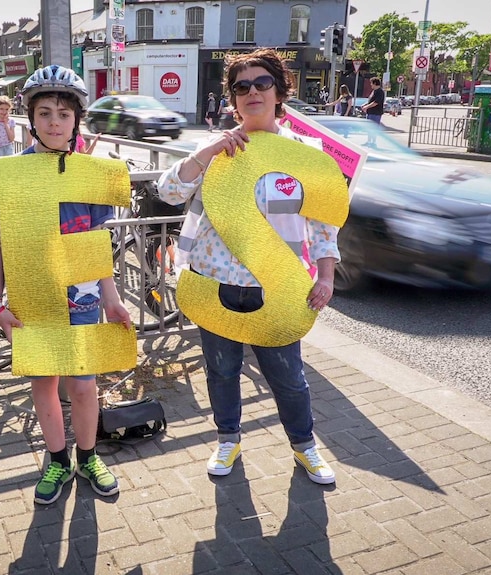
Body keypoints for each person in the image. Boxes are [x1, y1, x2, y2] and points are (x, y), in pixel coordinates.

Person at [156, 48, 340, 486]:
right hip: (212, 281)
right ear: (232, 98)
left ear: (280, 92)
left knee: (289, 378)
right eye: (242, 86)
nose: (252, 92)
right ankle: (228, 438)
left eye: (262, 84)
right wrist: (209, 152)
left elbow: (322, 223)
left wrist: (327, 275)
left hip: (276, 286)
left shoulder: (303, 153)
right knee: (221, 371)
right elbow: (168, 192)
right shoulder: (214, 148)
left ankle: (304, 446)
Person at [0, 64, 132, 505]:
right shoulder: (12, 173)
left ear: (76, 120)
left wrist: (113, 298)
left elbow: (97, 244)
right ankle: (56, 459)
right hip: (34, 298)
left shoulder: (90, 172)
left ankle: (88, 455)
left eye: (64, 114)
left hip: (84, 296)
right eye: (45, 112)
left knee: (84, 385)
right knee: (44, 385)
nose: (54, 122)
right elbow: (0, 242)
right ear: (30, 119)